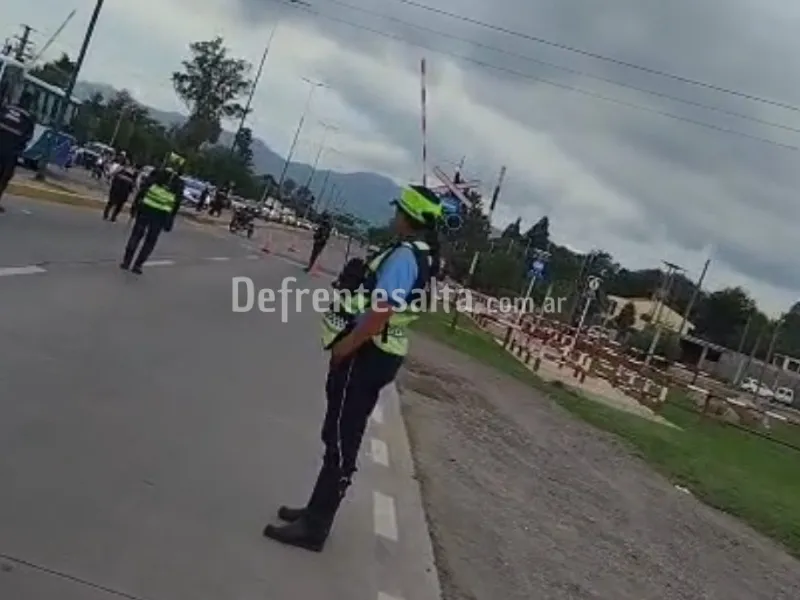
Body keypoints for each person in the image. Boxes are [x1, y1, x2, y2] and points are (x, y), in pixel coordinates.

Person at [263, 184, 443, 552]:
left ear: (408, 218)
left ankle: (316, 526)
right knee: (337, 434)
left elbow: (380, 312)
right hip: (377, 351)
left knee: (343, 440)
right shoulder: (420, 254)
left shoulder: (406, 256)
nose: (394, 217)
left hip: (368, 351)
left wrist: (346, 346)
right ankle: (314, 509)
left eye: (399, 212)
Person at [120, 165, 184, 274]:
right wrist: (170, 220)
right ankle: (138, 265)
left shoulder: (156, 173)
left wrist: (135, 206)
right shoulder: (178, 183)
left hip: (146, 209)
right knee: (150, 241)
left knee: (136, 235)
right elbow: (176, 203)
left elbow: (143, 190)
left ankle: (126, 262)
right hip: (161, 215)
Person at [0, 91, 35, 213]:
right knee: (4, 177)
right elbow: (28, 137)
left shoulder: (6, 108)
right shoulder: (28, 118)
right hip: (10, 153)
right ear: (29, 104)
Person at [103, 157, 137, 222]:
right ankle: (111, 216)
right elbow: (134, 182)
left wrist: (109, 177)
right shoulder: (131, 170)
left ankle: (108, 215)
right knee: (117, 203)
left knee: (113, 202)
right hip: (122, 188)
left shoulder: (123, 168)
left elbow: (113, 173)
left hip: (119, 187)